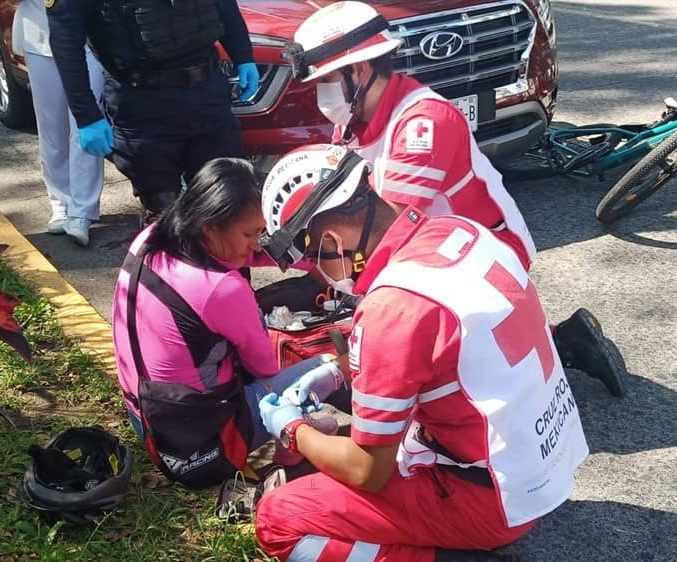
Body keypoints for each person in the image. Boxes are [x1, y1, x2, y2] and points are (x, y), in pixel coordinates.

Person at [254, 145, 590, 562]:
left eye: (312, 259)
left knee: (277, 518)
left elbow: (367, 471)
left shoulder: (392, 307)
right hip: (540, 467)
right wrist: (339, 372)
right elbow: (437, 356)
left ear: (331, 240)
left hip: (489, 503)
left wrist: (293, 430)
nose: (317, 271)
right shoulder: (459, 231)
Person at [285, 1, 626, 397]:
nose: (320, 95)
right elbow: (336, 205)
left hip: (489, 250)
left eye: (326, 81)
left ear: (358, 70)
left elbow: (383, 238)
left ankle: (551, 347)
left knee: (406, 335)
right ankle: (557, 339)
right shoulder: (354, 121)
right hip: (443, 246)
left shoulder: (421, 126)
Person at [111, 158, 338, 483]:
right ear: (210, 226)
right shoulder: (222, 289)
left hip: (146, 419)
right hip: (201, 447)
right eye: (250, 234)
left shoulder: (153, 237)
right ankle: (292, 447)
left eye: (262, 232)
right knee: (328, 365)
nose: (256, 243)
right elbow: (266, 371)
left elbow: (250, 252)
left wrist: (305, 261)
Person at [46, 0, 260, 223]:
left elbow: (225, 6)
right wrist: (86, 115)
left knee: (223, 204)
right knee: (163, 213)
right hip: (143, 103)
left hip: (207, 92)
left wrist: (243, 56)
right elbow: (65, 39)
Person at [11, 0, 105, 246]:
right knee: (52, 127)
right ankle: (61, 202)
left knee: (86, 122)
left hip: (89, 37)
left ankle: (82, 211)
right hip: (38, 34)